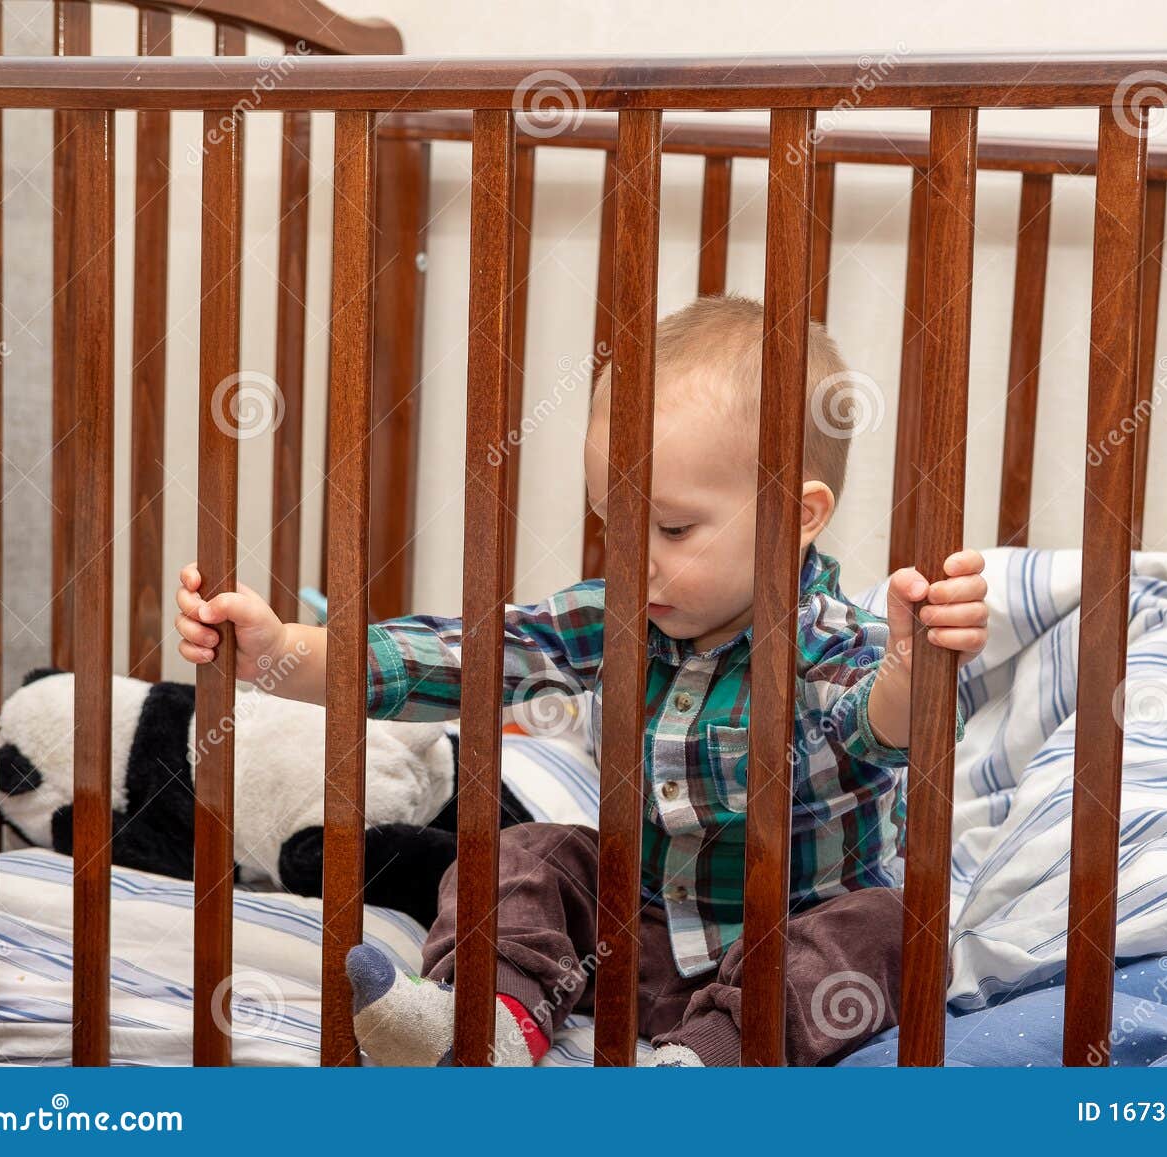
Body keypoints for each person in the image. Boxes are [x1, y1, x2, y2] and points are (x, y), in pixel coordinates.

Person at [174, 293, 988, 1066]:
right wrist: (280, 650)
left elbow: (876, 728)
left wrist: (914, 669)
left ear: (800, 514)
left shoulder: (830, 642)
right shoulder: (613, 620)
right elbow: (460, 658)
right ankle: (487, 1023)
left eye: (672, 528)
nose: (634, 558)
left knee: (894, 925)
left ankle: (710, 1064)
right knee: (525, 852)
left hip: (783, 947)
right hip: (632, 939)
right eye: (615, 523)